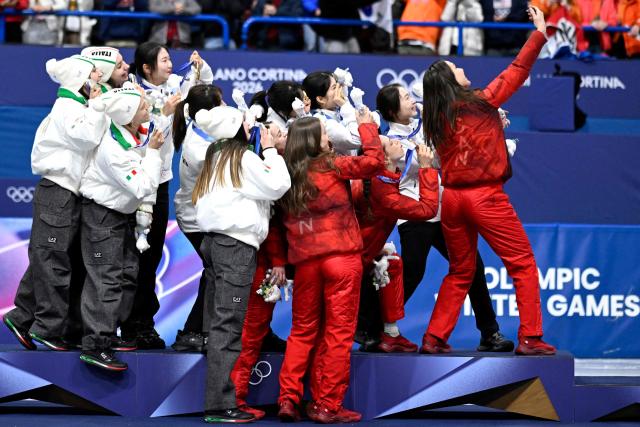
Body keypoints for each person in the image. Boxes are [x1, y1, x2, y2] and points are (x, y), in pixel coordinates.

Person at [420, 6, 556, 356]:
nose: (463, 68)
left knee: (461, 271)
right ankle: (530, 338)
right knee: (523, 264)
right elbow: (518, 68)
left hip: (451, 201)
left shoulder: (436, 118)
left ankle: (434, 337)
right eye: (456, 68)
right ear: (452, 82)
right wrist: (539, 32)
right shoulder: (482, 102)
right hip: (485, 199)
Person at [365, 83, 513, 353]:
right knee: (411, 273)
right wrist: (428, 158)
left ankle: (490, 334)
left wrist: (491, 126)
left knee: (473, 268)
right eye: (405, 98)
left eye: (410, 96)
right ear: (391, 111)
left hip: (445, 210)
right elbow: (428, 162)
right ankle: (372, 328)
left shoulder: (426, 120)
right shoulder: (390, 143)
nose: (412, 101)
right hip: (414, 213)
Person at [277, 112, 383, 424]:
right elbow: (375, 163)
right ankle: (326, 405)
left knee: (302, 331)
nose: (330, 138)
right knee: (338, 334)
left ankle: (288, 398)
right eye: (325, 133)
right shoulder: (334, 165)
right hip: (341, 260)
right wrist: (366, 126)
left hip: (306, 262)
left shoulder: (286, 173)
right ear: (313, 140)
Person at [192, 106, 290, 423]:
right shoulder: (243, 159)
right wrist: (272, 150)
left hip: (215, 244)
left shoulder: (215, 157)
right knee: (229, 327)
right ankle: (221, 405)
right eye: (247, 125)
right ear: (237, 130)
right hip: (234, 248)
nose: (253, 128)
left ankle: (219, 400)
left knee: (221, 325)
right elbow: (278, 185)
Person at [3, 55, 105, 351]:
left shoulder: (74, 105)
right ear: (80, 79)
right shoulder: (68, 107)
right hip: (58, 192)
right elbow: (85, 138)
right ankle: (47, 328)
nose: (99, 78)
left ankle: (22, 317)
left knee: (48, 256)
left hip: (65, 193)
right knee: (53, 261)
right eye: (94, 75)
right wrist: (98, 107)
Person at [123, 42, 213, 349]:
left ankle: (144, 324)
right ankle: (129, 325)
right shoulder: (131, 92)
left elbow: (202, 89)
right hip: (134, 184)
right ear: (146, 68)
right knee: (134, 258)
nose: (171, 64)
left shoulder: (174, 85)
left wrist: (200, 69)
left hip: (160, 184)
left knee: (152, 256)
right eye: (164, 60)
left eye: (170, 59)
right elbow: (146, 136)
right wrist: (164, 112)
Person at [78, 87, 165, 370]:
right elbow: (142, 186)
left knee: (127, 274)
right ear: (127, 115)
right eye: (142, 106)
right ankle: (96, 344)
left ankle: (109, 333)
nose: (147, 108)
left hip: (120, 217)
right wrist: (153, 153)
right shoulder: (113, 150)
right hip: (103, 217)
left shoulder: (131, 132)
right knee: (106, 280)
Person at [352, 139, 439, 353]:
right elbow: (427, 210)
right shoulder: (383, 192)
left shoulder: (376, 181)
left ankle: (389, 333)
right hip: (351, 260)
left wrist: (373, 248)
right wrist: (427, 168)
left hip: (361, 252)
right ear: (384, 158)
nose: (397, 141)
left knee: (392, 263)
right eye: (391, 142)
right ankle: (366, 328)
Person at [171, 84, 224, 352]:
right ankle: (194, 332)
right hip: (196, 220)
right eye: (221, 104)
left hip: (198, 215)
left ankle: (196, 331)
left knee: (213, 272)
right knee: (215, 272)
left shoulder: (202, 129)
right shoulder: (200, 149)